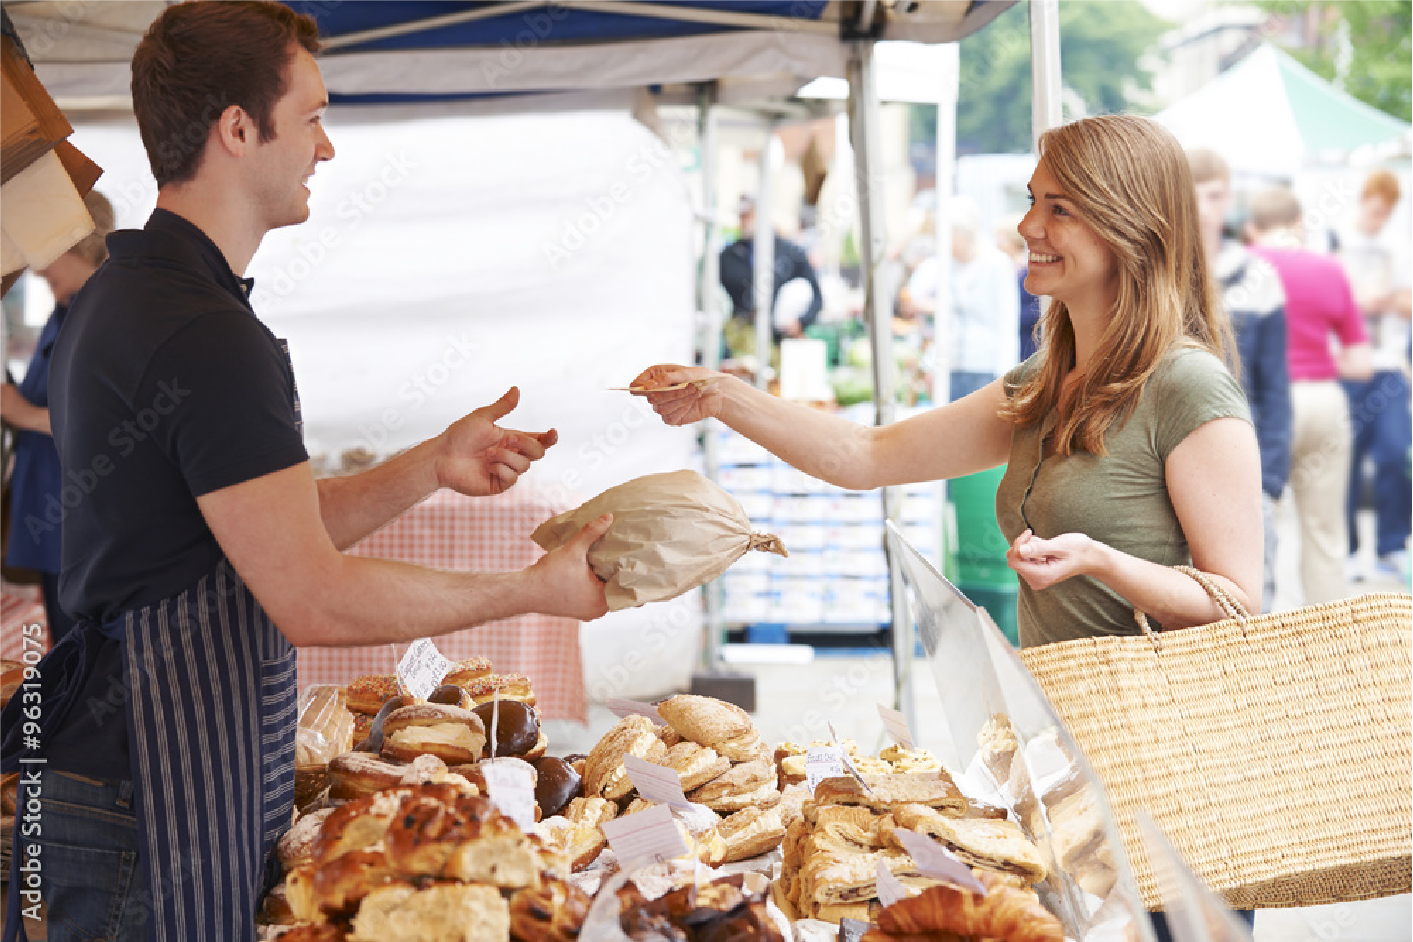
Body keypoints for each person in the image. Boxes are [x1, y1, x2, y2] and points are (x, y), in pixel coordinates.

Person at [0, 4, 610, 940]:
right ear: (238, 129)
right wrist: (530, 590)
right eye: (314, 117)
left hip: (134, 777)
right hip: (151, 798)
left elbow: (265, 525)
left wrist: (429, 468)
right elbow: (312, 597)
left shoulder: (134, 293)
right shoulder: (204, 333)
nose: (327, 149)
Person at [637, 112, 1263, 942]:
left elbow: (1235, 608)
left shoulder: (1186, 386)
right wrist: (723, 395)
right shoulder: (1047, 380)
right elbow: (866, 455)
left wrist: (1103, 562)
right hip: (1066, 768)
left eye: (1060, 208)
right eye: (1033, 200)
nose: (1027, 227)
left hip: (1171, 780)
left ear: (1128, 225)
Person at [1246, 187, 1373, 605]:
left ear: (1252, 229)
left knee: (1256, 526)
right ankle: (1330, 644)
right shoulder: (1330, 270)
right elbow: (1361, 362)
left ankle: (1255, 638)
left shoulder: (1244, 270)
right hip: (1323, 401)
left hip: (1261, 407)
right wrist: (1318, 358)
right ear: (1299, 224)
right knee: (1324, 532)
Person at [2, 190, 115, 642]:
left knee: (86, 659)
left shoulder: (107, 312)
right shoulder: (65, 307)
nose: (37, 267)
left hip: (81, 521)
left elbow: (106, 423)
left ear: (78, 242)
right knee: (66, 651)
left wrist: (20, 412)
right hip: (50, 517)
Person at [1187, 149, 1291, 612]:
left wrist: (1268, 477)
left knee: (1247, 605)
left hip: (1244, 461)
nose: (1212, 208)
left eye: (1219, 196)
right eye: (1202, 195)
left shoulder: (1257, 276)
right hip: (1176, 460)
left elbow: (1274, 383)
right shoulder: (1159, 276)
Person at [1334, 170, 1411, 582]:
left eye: (1386, 214)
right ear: (1363, 201)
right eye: (1375, 211)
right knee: (1346, 458)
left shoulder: (1399, 248)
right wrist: (1356, 303)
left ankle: (1390, 545)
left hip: (1389, 367)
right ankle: (1346, 549)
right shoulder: (1335, 241)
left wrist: (1388, 303)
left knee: (1394, 451)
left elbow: (1408, 303)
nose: (1378, 219)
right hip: (1346, 367)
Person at [900, 197, 1020, 401]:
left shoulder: (997, 265)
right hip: (947, 366)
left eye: (947, 235)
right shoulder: (939, 265)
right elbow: (911, 297)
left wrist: (1005, 375)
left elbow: (1007, 321)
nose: (942, 241)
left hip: (985, 367)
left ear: (963, 234)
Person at [718, 195, 823, 345]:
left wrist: (800, 322)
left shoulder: (791, 252)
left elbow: (816, 296)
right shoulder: (728, 256)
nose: (743, 221)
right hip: (741, 338)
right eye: (741, 216)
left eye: (748, 215)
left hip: (780, 340)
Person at [995, 217, 1043, 361]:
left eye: (1000, 238)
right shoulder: (1003, 269)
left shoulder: (1030, 270)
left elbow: (1036, 311)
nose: (996, 244)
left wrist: (1007, 315)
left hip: (1027, 344)